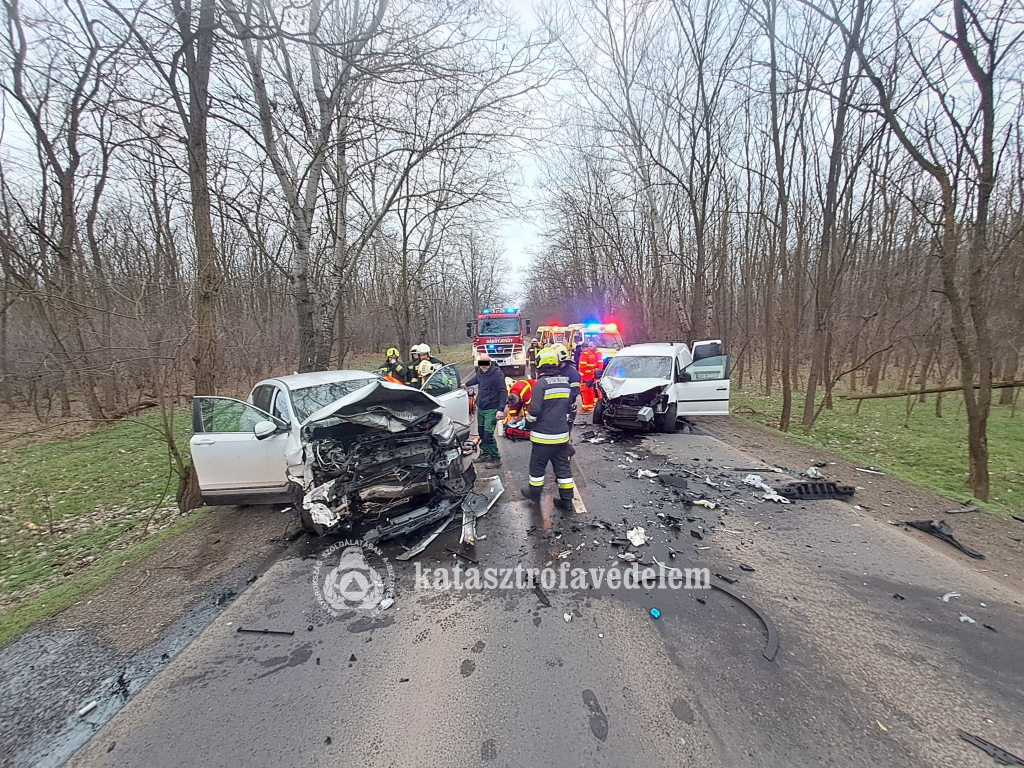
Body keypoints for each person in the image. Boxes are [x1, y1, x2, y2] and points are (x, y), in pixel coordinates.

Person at [522, 349, 575, 507]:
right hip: (561, 436)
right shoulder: (565, 383)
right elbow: (569, 407)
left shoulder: (541, 384)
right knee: (563, 468)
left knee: (537, 468)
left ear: (541, 365)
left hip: (543, 437)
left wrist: (528, 423)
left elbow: (535, 410)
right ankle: (567, 502)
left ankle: (534, 495)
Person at [464, 353, 507, 468]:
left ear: (489, 362)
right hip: (482, 407)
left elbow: (503, 392)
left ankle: (496, 458)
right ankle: (485, 453)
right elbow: (476, 379)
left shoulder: (497, 374)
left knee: (488, 434)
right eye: (481, 364)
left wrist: (501, 410)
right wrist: (466, 385)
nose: (483, 366)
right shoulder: (481, 372)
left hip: (491, 409)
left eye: (485, 363)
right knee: (482, 433)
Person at [553, 343, 581, 430]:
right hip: (553, 407)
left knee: (564, 430)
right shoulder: (553, 371)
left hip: (567, 408)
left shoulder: (572, 373)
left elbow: (574, 392)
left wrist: (563, 402)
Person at [578, 340, 603, 411]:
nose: (589, 347)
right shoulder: (591, 354)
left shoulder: (584, 354)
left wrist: (580, 375)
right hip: (592, 375)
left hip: (586, 376)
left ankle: (586, 406)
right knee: (590, 390)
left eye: (591, 346)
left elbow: (582, 366)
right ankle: (590, 405)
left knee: (585, 391)